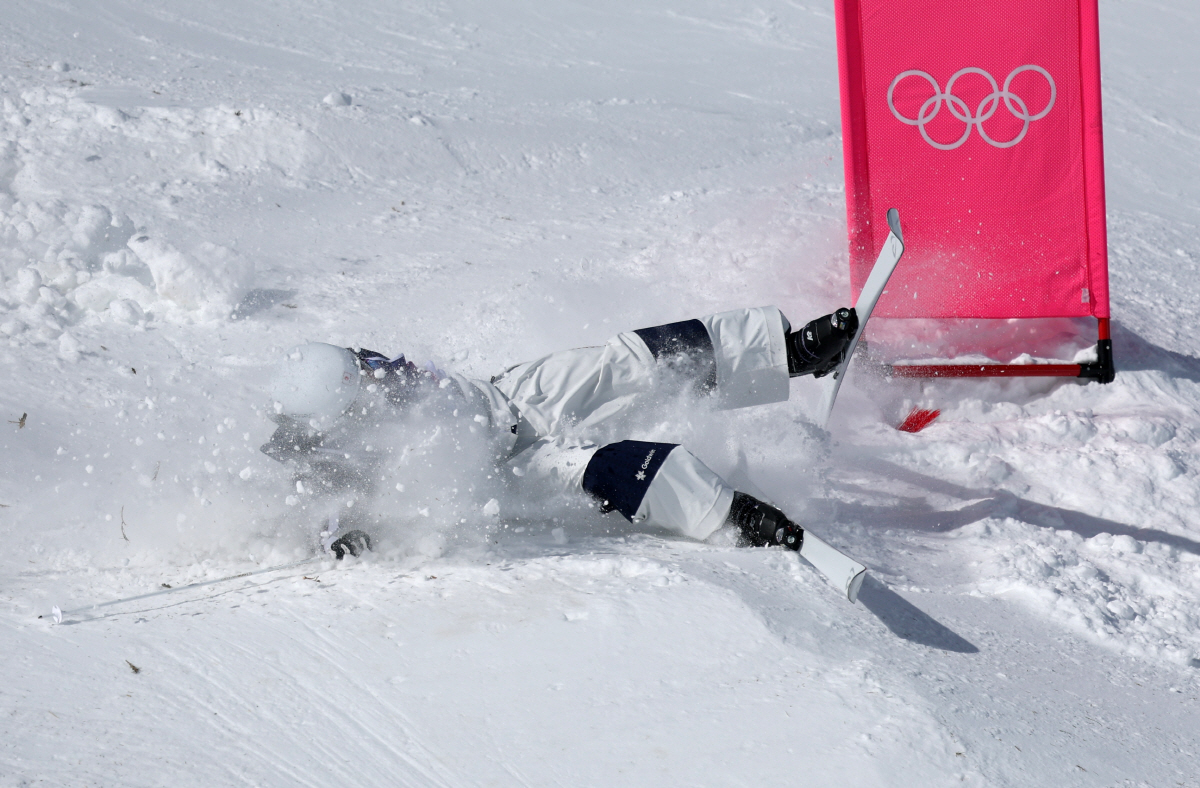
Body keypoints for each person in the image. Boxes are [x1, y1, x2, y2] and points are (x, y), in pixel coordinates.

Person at [262, 305, 857, 559]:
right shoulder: (329, 455)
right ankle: (734, 517)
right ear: (336, 417)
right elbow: (336, 514)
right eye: (361, 383)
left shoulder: (357, 374)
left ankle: (791, 352)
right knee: (618, 467)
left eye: (362, 367)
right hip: (515, 469)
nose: (375, 377)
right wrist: (349, 535)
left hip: (516, 394)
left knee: (637, 359)